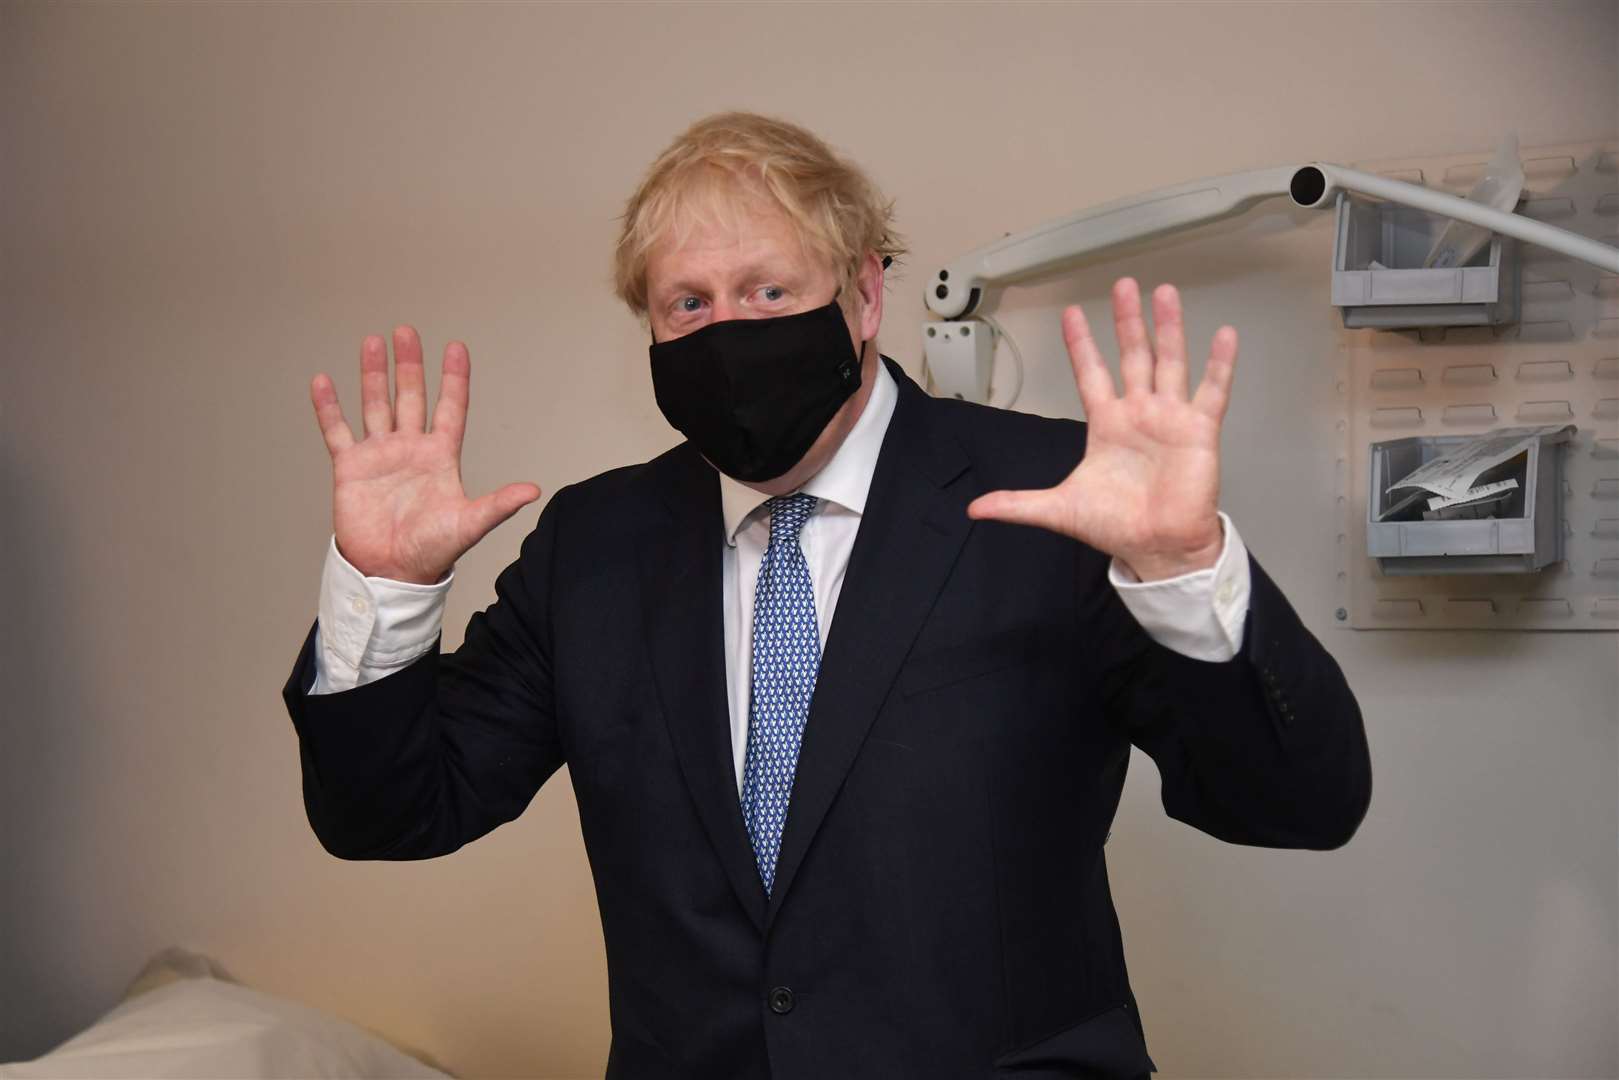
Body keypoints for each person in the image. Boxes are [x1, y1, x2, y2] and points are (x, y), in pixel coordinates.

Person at [282, 111, 1371, 1080]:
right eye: (688, 304)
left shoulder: (1059, 501)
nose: (729, 332)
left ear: (862, 292)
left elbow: (1296, 804)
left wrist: (1180, 566)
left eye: (767, 290)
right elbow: (393, 814)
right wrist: (385, 584)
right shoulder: (594, 546)